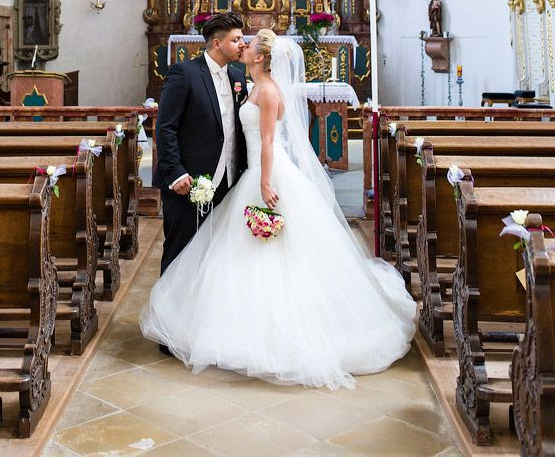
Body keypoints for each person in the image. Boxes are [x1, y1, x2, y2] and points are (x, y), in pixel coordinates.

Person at [141, 30, 417, 388]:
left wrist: (266, 182)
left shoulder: (268, 89)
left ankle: (272, 335)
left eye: (249, 44)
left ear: (260, 57)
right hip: (250, 174)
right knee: (236, 255)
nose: (244, 46)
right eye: (241, 40)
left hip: (266, 176)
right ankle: (238, 325)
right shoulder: (250, 82)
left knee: (271, 257)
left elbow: (269, 140)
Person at [153, 12, 249, 276]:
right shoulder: (184, 73)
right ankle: (167, 315)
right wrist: (175, 172)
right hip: (188, 182)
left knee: (214, 257)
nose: (243, 44)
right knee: (180, 253)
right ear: (217, 44)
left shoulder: (238, 78)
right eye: (236, 39)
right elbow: (166, 127)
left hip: (227, 183)